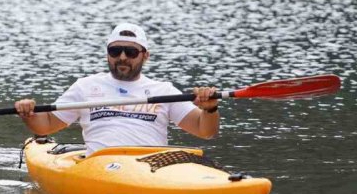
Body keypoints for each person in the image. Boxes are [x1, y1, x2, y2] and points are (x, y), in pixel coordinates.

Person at [15, 23, 219, 154]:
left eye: (130, 52)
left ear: (145, 56)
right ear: (107, 54)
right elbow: (45, 126)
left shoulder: (164, 91)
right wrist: (28, 113)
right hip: (100, 165)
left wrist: (210, 109)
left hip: (153, 166)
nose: (122, 57)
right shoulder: (86, 86)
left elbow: (205, 130)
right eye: (115, 51)